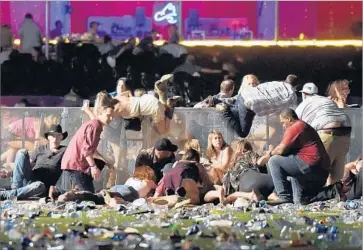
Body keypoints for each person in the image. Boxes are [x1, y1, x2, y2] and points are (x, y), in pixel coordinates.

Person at [259, 108, 331, 204]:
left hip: (311, 164)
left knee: (274, 161)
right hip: (321, 171)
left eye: (283, 122)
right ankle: (332, 192)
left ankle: (283, 196)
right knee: (299, 201)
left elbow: (281, 150)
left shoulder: (296, 127)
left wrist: (268, 155)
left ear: (289, 119)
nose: (283, 126)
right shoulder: (304, 126)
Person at [296, 82, 351, 185]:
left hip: (327, 133)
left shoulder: (302, 106)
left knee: (318, 170)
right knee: (335, 175)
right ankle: (335, 194)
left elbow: (295, 129)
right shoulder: (327, 100)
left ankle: (320, 195)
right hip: (345, 132)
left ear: (304, 94)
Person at [0, 124, 67, 200]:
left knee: (39, 186)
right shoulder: (40, 149)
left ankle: (6, 195)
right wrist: (10, 173)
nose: (55, 138)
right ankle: (15, 189)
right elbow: (26, 166)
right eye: (52, 135)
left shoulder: (64, 151)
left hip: (41, 186)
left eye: (58, 135)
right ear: (48, 137)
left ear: (62, 137)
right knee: (22, 152)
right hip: (29, 179)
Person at [58, 104, 114, 193]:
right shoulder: (95, 126)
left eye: (112, 116)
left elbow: (91, 149)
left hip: (76, 162)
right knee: (89, 196)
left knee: (101, 162)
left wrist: (104, 160)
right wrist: (93, 167)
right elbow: (87, 151)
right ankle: (58, 191)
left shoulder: (96, 124)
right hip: (76, 164)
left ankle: (79, 187)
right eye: (108, 115)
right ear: (100, 114)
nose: (111, 119)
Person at [222, 74, 298, 138]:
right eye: (249, 84)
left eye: (253, 84)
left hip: (243, 97)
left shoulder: (275, 83)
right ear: (296, 86)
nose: (252, 86)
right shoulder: (292, 95)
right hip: (248, 106)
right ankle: (224, 111)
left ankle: (222, 106)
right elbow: (287, 112)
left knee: (235, 111)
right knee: (243, 133)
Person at [204, 139, 274, 204]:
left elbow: (226, 192)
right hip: (267, 180)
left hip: (247, 186)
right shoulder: (250, 154)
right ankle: (272, 195)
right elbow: (260, 162)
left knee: (230, 196)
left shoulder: (231, 170)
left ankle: (252, 195)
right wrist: (269, 155)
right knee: (272, 193)